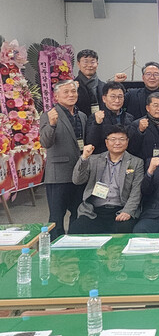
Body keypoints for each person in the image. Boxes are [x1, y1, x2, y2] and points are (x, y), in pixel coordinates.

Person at [70, 125, 144, 234]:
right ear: (106, 142)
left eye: (121, 139)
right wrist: (84, 158)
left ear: (127, 142)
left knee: (123, 230)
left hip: (120, 209)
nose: (117, 143)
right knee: (76, 228)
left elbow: (136, 191)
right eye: (113, 139)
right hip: (94, 210)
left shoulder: (136, 162)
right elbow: (77, 180)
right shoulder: (94, 160)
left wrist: (127, 211)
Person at [39, 79, 88, 239]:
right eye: (66, 92)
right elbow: (45, 142)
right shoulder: (49, 115)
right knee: (56, 217)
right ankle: (54, 247)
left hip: (79, 173)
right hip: (58, 174)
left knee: (78, 212)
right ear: (56, 96)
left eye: (73, 91)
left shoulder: (82, 116)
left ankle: (74, 243)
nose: (71, 95)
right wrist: (52, 124)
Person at [85, 81, 134, 155]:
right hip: (102, 158)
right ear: (104, 98)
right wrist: (97, 124)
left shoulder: (129, 118)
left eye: (120, 97)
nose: (117, 100)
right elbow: (90, 143)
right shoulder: (95, 117)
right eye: (113, 97)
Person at [128, 92, 159, 161]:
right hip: (145, 163)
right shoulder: (136, 124)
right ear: (147, 108)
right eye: (155, 106)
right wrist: (140, 131)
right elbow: (132, 149)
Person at [74, 49, 106, 116]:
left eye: (92, 62)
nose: (89, 65)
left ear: (97, 64)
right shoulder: (72, 87)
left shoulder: (104, 86)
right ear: (78, 64)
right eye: (85, 62)